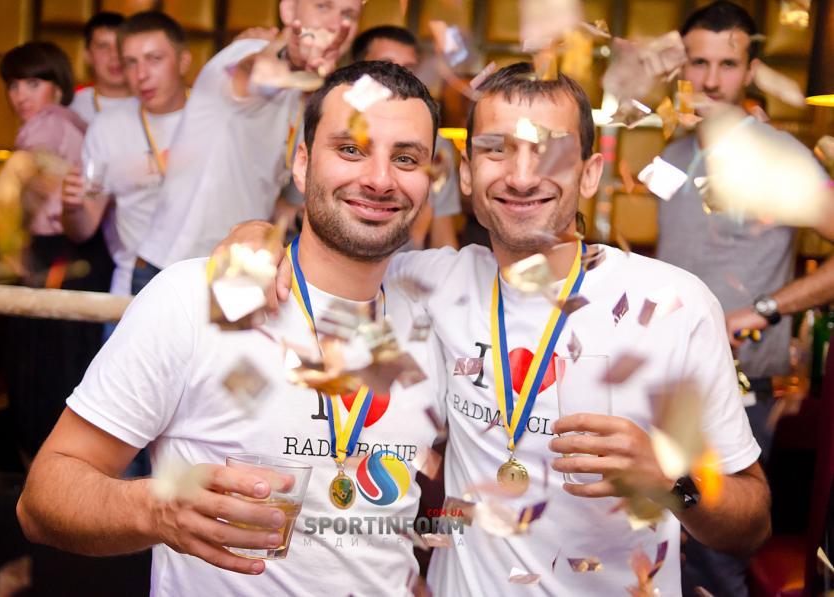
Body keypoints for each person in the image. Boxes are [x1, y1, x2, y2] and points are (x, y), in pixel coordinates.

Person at [229, 63, 772, 595]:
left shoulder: (675, 306)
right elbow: (331, 253)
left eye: (551, 152)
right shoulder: (427, 283)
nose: (522, 176)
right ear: (466, 174)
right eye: (497, 149)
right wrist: (255, 236)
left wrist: (673, 483)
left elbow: (752, 526)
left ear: (589, 173)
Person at [17, 61, 447, 596]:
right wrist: (157, 510)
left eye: (405, 158)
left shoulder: (438, 318)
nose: (380, 179)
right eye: (351, 149)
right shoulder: (194, 298)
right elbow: (41, 500)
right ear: (302, 162)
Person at [655, 4, 831, 593]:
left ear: (751, 70)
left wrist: (764, 309)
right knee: (658, 549)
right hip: (665, 383)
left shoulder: (778, 156)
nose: (710, 80)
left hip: (740, 387)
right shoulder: (674, 154)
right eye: (698, 62)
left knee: (715, 556)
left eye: (727, 64)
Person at [0, 41, 113, 459]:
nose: (20, 96)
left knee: (44, 383)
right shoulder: (71, 123)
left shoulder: (49, 123)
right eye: (13, 86)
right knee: (59, 380)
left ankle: (44, 481)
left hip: (60, 260)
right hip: (74, 259)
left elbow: (1, 197)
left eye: (33, 83)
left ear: (58, 87)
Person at [128, 0, 363, 295]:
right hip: (174, 267)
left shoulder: (310, 99)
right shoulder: (246, 52)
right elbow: (258, 70)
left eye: (348, 14)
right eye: (323, 7)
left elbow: (273, 200)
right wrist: (290, 55)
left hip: (235, 272)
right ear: (289, 11)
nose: (336, 23)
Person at [61, 11, 190, 298]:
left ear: (183, 61)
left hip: (206, 284)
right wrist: (72, 208)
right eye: (131, 62)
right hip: (133, 288)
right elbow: (83, 228)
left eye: (154, 59)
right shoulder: (107, 127)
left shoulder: (216, 118)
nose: (141, 74)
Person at [352, 25, 461, 250]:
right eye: (386, 67)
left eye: (409, 69)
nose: (398, 78)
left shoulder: (436, 145)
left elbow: (443, 237)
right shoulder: (329, 131)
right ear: (356, 73)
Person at [69, 12, 134, 124]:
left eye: (120, 45)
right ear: (88, 55)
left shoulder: (153, 104)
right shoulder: (71, 107)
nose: (114, 55)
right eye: (103, 46)